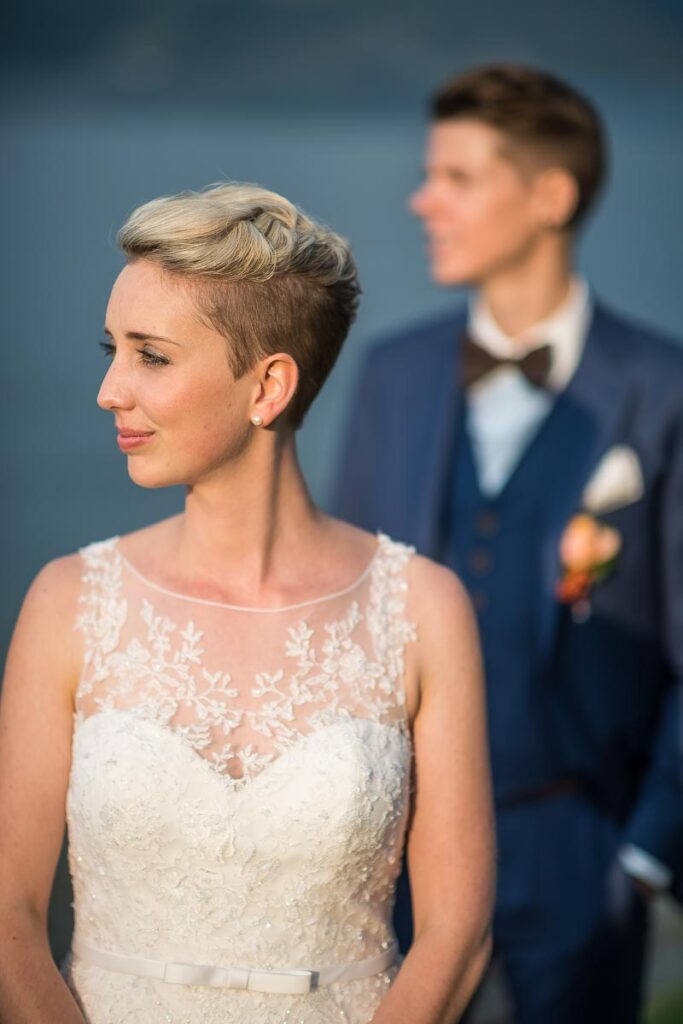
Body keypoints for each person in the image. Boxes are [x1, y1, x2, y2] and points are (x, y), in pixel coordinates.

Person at [0, 183, 494, 1024]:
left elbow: (456, 933)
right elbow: (8, 917)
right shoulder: (68, 602)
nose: (109, 390)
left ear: (268, 387)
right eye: (110, 349)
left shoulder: (423, 610)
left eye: (150, 356)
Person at [334, 65, 683, 1023]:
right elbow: (342, 609)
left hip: (581, 844)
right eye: (426, 175)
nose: (421, 200)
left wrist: (643, 857)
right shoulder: (390, 374)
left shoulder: (663, 388)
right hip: (394, 856)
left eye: (453, 177)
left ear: (549, 195)